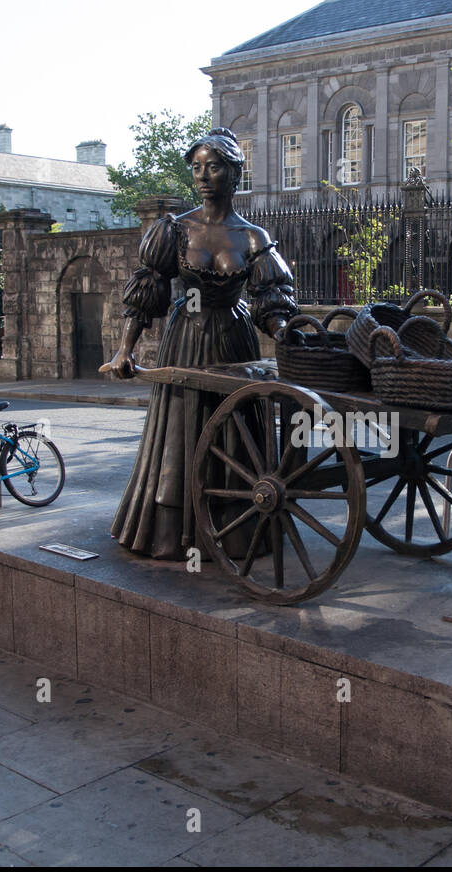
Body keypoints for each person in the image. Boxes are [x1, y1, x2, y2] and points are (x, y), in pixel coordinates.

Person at [101, 128, 297, 560]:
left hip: (235, 342)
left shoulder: (252, 237)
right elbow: (148, 288)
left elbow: (271, 300)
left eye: (214, 167)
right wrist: (125, 348)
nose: (204, 176)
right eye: (197, 168)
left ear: (234, 173)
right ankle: (175, 532)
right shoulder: (173, 229)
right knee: (180, 432)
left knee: (235, 432)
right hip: (186, 339)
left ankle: (238, 530)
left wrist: (285, 334)